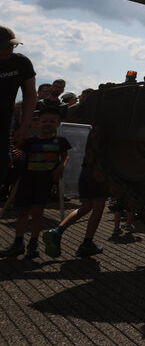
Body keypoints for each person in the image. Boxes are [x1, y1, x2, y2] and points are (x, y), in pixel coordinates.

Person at [0, 107, 70, 258]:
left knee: (37, 213)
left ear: (58, 123)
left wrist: (61, 167)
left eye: (52, 121)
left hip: (45, 183)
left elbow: (65, 156)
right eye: (44, 121)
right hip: (26, 181)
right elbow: (16, 158)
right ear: (38, 123)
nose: (48, 124)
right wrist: (13, 157)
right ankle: (18, 243)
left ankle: (33, 243)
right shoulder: (29, 141)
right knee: (22, 213)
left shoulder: (61, 141)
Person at [41, 143, 107, 258]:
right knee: (98, 208)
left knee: (86, 206)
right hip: (99, 172)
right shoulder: (113, 134)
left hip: (85, 171)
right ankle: (87, 244)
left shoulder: (96, 134)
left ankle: (57, 231)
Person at [0, 26, 36, 202]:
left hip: (4, 126)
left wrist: (24, 125)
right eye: (4, 46)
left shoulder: (21, 62)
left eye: (12, 46)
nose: (9, 50)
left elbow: (30, 93)